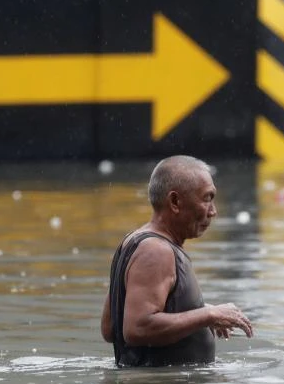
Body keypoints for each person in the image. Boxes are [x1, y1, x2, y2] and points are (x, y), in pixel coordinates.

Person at [100, 155, 254, 367]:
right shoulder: (156, 251)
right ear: (175, 202)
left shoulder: (133, 242)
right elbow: (136, 328)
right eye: (207, 198)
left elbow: (110, 328)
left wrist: (198, 310)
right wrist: (208, 315)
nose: (213, 211)